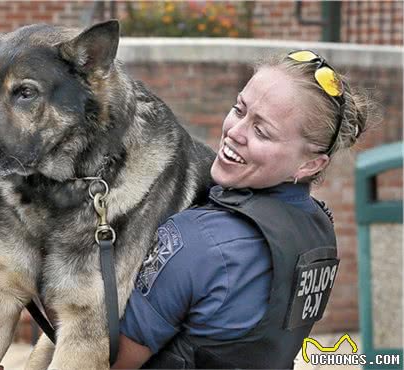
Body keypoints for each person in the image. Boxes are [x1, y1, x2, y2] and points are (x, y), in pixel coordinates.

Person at [112, 50, 375, 369]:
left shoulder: (194, 241)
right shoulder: (319, 227)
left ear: (311, 164)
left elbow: (110, 362)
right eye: (239, 109)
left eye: (262, 131)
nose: (235, 132)